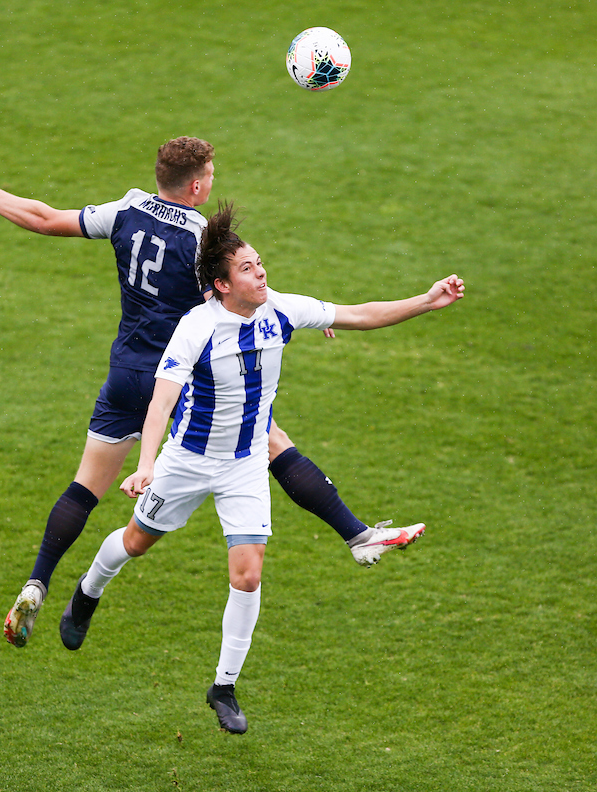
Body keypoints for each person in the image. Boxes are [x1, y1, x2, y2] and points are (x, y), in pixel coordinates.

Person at [0, 138, 422, 650]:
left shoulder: (125, 211)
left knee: (85, 487)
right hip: (184, 375)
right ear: (196, 185)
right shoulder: (202, 239)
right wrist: (304, 314)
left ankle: (38, 580)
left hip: (126, 372)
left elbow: (43, 218)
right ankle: (356, 534)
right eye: (211, 174)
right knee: (267, 439)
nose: (213, 181)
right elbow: (236, 289)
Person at [59, 201, 465, 733]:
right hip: (187, 461)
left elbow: (360, 315)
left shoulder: (281, 310)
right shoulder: (196, 328)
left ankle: (223, 685)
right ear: (222, 285)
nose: (261, 273)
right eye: (248, 268)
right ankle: (88, 591)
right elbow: (160, 403)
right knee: (135, 543)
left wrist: (427, 301)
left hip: (245, 464)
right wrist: (147, 464)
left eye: (259, 263)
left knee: (248, 575)